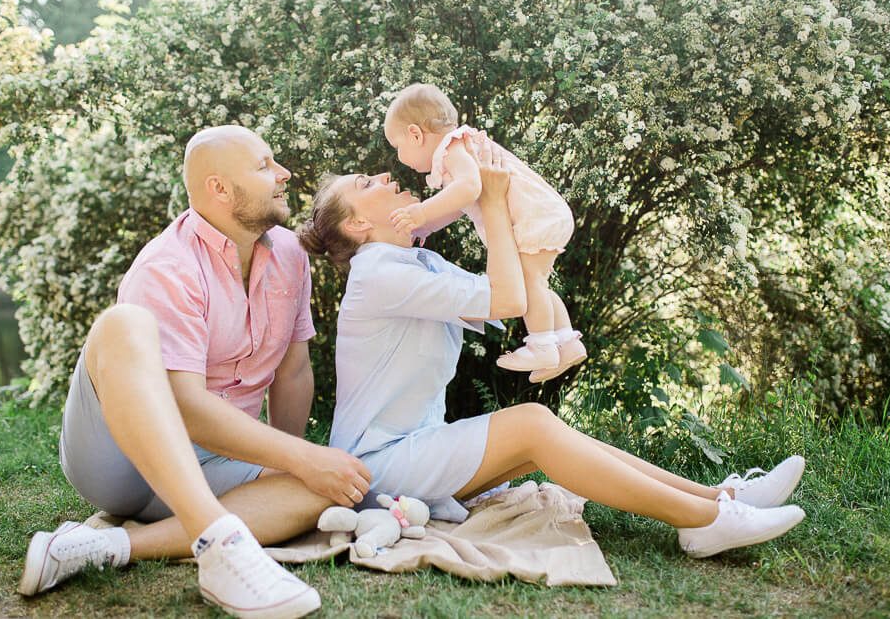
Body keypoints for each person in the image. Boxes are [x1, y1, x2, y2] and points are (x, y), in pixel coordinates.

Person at [295, 138, 807, 558]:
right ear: (358, 225)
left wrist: (509, 204)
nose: (384, 178)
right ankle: (705, 522)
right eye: (366, 185)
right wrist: (491, 202)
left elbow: (506, 300)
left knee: (544, 435)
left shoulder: (416, 265)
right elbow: (509, 295)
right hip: (375, 468)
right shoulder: (377, 272)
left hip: (417, 454)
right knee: (532, 425)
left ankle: (722, 496)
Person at [18, 125, 371, 619]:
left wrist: (293, 463)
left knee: (323, 487)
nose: (283, 173)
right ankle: (220, 547)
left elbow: (292, 371)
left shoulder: (290, 256)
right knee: (123, 324)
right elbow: (187, 409)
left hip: (218, 458)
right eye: (264, 165)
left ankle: (105, 548)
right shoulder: (168, 266)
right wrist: (300, 456)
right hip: (121, 462)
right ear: (220, 189)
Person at [384, 83, 585, 383]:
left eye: (398, 147)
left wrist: (423, 211)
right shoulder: (459, 149)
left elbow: (470, 187)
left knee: (530, 283)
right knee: (537, 283)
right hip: (542, 214)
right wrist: (426, 225)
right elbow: (461, 202)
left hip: (536, 217)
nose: (400, 157)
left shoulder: (452, 147)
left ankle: (542, 345)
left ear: (415, 134)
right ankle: (567, 343)